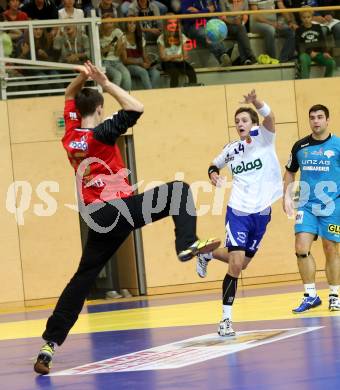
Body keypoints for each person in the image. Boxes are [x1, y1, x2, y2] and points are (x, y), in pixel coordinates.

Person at [33, 60, 221, 375]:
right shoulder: (102, 133)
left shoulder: (70, 135)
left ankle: (48, 345)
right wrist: (105, 82)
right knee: (179, 191)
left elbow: (69, 92)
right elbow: (137, 107)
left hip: (95, 218)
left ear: (77, 110)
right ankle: (186, 243)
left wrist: (82, 78)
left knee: (83, 278)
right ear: (100, 108)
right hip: (116, 210)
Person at [196, 89, 283, 336]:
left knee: (242, 263)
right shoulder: (232, 149)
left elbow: (270, 118)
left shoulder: (264, 138)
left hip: (262, 213)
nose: (240, 125)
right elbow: (214, 164)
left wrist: (256, 102)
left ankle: (207, 254)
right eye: (237, 122)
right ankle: (225, 320)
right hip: (238, 210)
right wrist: (213, 174)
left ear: (253, 124)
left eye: (244, 120)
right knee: (235, 264)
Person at [283, 104, 340, 313]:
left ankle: (334, 295)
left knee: (331, 249)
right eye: (312, 117)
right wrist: (287, 196)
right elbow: (290, 172)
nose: (316, 121)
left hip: (333, 206)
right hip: (306, 206)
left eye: (320, 117)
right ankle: (310, 295)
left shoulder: (338, 145)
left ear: (327, 120)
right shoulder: (300, 146)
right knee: (301, 248)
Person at [295, 7, 336, 79]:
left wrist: (325, 52)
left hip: (318, 53)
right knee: (304, 59)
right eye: (304, 17)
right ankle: (305, 82)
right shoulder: (299, 30)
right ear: (301, 18)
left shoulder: (317, 27)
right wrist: (310, 52)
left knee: (331, 62)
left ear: (312, 17)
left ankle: (326, 81)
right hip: (306, 54)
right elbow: (298, 46)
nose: (306, 19)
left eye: (308, 17)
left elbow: (322, 41)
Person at [157, 17, 198, 87]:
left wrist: (171, 57)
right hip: (167, 63)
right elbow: (163, 57)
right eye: (170, 23)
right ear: (166, 25)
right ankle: (173, 94)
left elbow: (184, 55)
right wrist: (177, 56)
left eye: (175, 23)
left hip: (180, 62)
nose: (173, 25)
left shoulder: (182, 36)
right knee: (175, 73)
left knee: (191, 71)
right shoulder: (161, 38)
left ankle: (192, 91)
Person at [120, 21, 160, 89]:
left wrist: (147, 63)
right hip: (130, 65)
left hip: (141, 63)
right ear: (126, 25)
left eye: (134, 23)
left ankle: (150, 94)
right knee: (143, 72)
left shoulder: (140, 37)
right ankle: (151, 94)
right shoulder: (123, 38)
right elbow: (125, 60)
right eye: (130, 23)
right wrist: (140, 62)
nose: (132, 25)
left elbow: (144, 55)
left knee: (156, 73)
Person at [219, 0, 257, 65]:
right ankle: (250, 55)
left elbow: (245, 16)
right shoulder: (223, 1)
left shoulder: (244, 1)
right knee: (241, 29)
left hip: (239, 26)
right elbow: (223, 18)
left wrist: (242, 23)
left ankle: (244, 60)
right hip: (227, 25)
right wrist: (233, 22)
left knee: (241, 29)